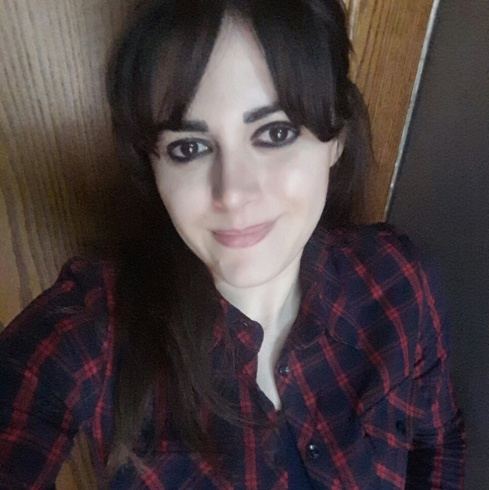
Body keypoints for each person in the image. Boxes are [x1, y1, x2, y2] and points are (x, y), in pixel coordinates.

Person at [0, 0, 466, 488]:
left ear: (336, 138)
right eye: (189, 148)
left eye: (276, 132)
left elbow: (438, 441)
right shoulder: (95, 332)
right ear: (152, 166)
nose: (233, 193)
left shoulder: (397, 280)